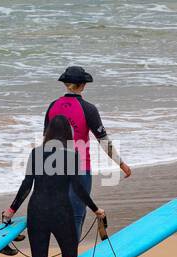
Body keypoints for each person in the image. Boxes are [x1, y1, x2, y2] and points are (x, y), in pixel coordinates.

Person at [3, 114, 106, 257]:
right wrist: (96, 209)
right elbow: (78, 189)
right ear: (67, 134)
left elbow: (26, 186)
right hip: (61, 212)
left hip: (37, 211)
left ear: (48, 132)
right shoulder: (72, 155)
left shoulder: (35, 153)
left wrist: (12, 210)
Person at [44, 65, 131, 237]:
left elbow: (46, 141)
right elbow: (103, 141)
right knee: (76, 216)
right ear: (83, 85)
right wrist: (121, 164)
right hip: (80, 168)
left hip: (53, 168)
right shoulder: (88, 109)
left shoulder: (52, 106)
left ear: (65, 83)